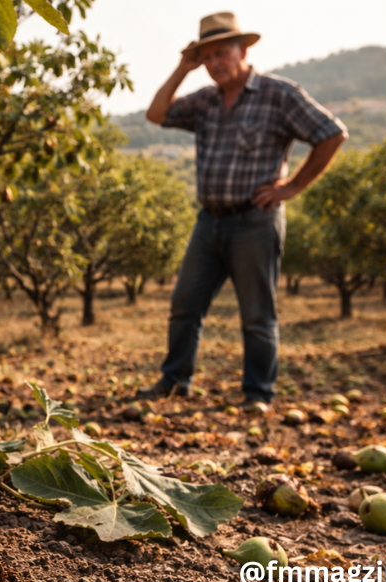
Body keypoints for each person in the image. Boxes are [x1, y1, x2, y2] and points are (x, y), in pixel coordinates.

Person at [137, 12, 348, 411]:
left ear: (243, 50)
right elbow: (156, 114)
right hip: (209, 220)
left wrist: (294, 185)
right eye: (207, 57)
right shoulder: (205, 101)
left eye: (222, 53)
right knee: (184, 304)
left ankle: (257, 394)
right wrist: (183, 68)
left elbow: (331, 133)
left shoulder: (278, 95)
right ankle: (175, 380)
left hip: (254, 221)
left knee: (256, 313)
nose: (215, 63)